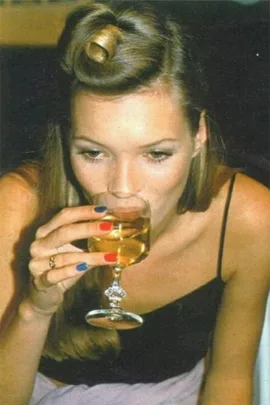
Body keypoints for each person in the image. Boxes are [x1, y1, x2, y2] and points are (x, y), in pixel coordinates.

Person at [0, 1, 269, 405]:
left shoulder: (250, 217)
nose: (123, 188)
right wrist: (34, 311)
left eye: (156, 154)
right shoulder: (16, 206)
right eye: (93, 153)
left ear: (198, 135)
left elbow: (229, 382)